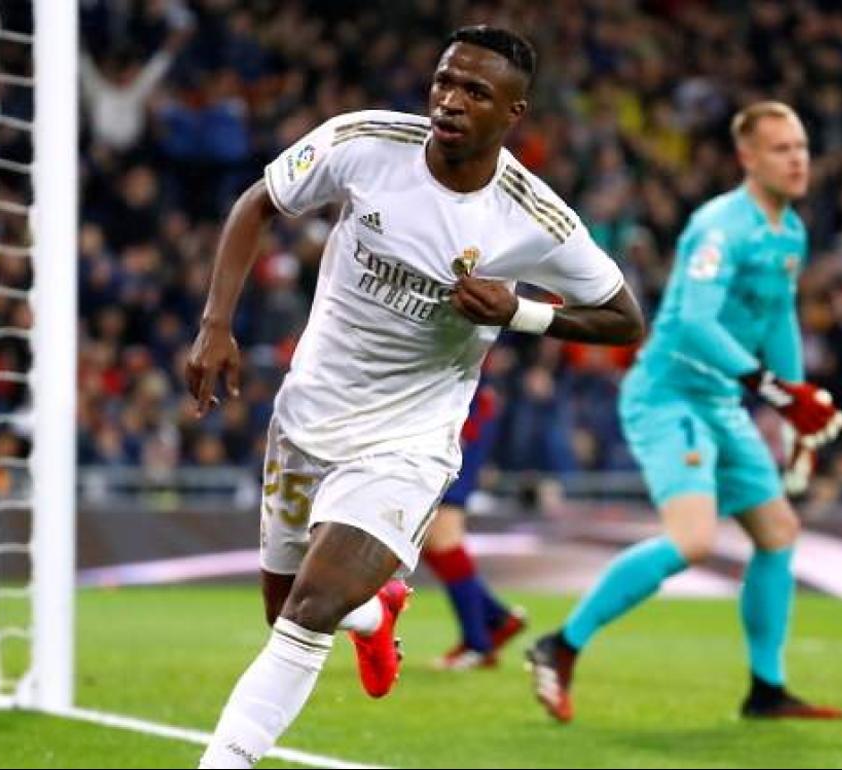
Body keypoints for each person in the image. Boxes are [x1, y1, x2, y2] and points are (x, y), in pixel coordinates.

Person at [186, 26, 644, 767]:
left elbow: (625, 319)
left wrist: (521, 312)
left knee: (308, 612)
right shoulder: (364, 143)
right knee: (288, 611)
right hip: (308, 417)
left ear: (514, 113)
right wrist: (215, 324)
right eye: (444, 81)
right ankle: (374, 615)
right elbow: (257, 203)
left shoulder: (533, 218)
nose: (450, 101)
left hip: (408, 441)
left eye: (475, 92)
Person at [527, 101, 842, 723]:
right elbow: (697, 323)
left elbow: (778, 316)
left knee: (777, 533)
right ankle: (560, 645)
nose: (798, 159)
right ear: (747, 157)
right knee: (694, 540)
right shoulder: (719, 227)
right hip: (668, 395)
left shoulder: (790, 232)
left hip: (720, 400)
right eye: (782, 149)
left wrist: (796, 400)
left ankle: (767, 690)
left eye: (802, 147)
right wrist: (772, 389)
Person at [422, 382, 527, 670]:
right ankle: (495, 619)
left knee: (442, 533)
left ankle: (478, 643)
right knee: (429, 539)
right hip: (442, 406)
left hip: (457, 409)